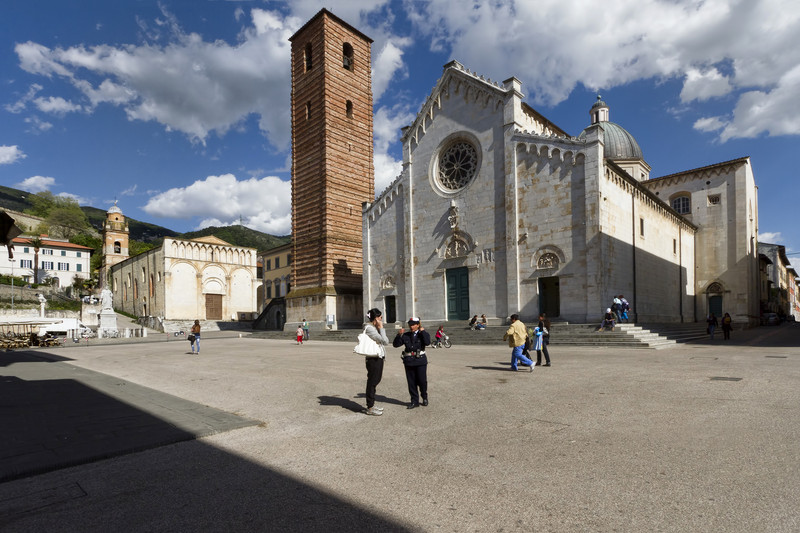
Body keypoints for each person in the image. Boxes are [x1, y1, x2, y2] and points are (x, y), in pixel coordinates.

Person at [393, 317, 431, 409]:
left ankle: (424, 397)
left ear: (418, 325)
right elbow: (396, 345)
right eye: (410, 324)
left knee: (422, 381)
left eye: (413, 324)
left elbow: (427, 342)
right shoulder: (406, 335)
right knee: (411, 382)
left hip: (420, 360)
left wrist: (423, 332)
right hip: (409, 360)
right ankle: (414, 401)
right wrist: (399, 335)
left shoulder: (422, 334)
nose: (411, 326)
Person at [362, 308, 390, 416]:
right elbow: (385, 341)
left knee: (375, 380)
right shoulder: (369, 328)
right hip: (373, 359)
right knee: (372, 382)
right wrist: (381, 328)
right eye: (380, 317)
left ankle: (372, 405)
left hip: (378, 357)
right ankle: (370, 407)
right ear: (376, 318)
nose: (381, 319)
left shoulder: (374, 328)